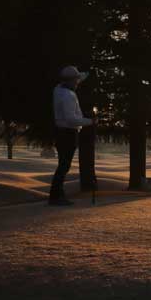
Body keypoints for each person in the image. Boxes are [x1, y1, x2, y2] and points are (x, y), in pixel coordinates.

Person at [49, 65, 94, 206]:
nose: (78, 83)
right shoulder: (67, 95)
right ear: (69, 81)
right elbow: (71, 119)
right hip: (68, 132)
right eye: (76, 80)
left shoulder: (59, 90)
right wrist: (91, 121)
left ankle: (57, 195)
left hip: (63, 132)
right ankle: (56, 196)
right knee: (64, 165)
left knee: (63, 165)